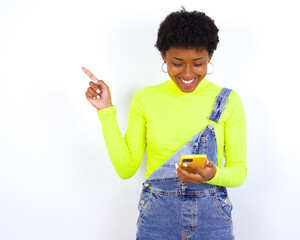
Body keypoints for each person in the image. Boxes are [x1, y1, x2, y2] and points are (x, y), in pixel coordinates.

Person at [83, 7, 246, 240]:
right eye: (177, 63)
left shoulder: (228, 101)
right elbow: (126, 168)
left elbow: (239, 171)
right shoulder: (145, 99)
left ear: (210, 57)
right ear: (163, 57)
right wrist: (106, 111)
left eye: (198, 63)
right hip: (157, 220)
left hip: (212, 222)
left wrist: (212, 174)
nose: (188, 73)